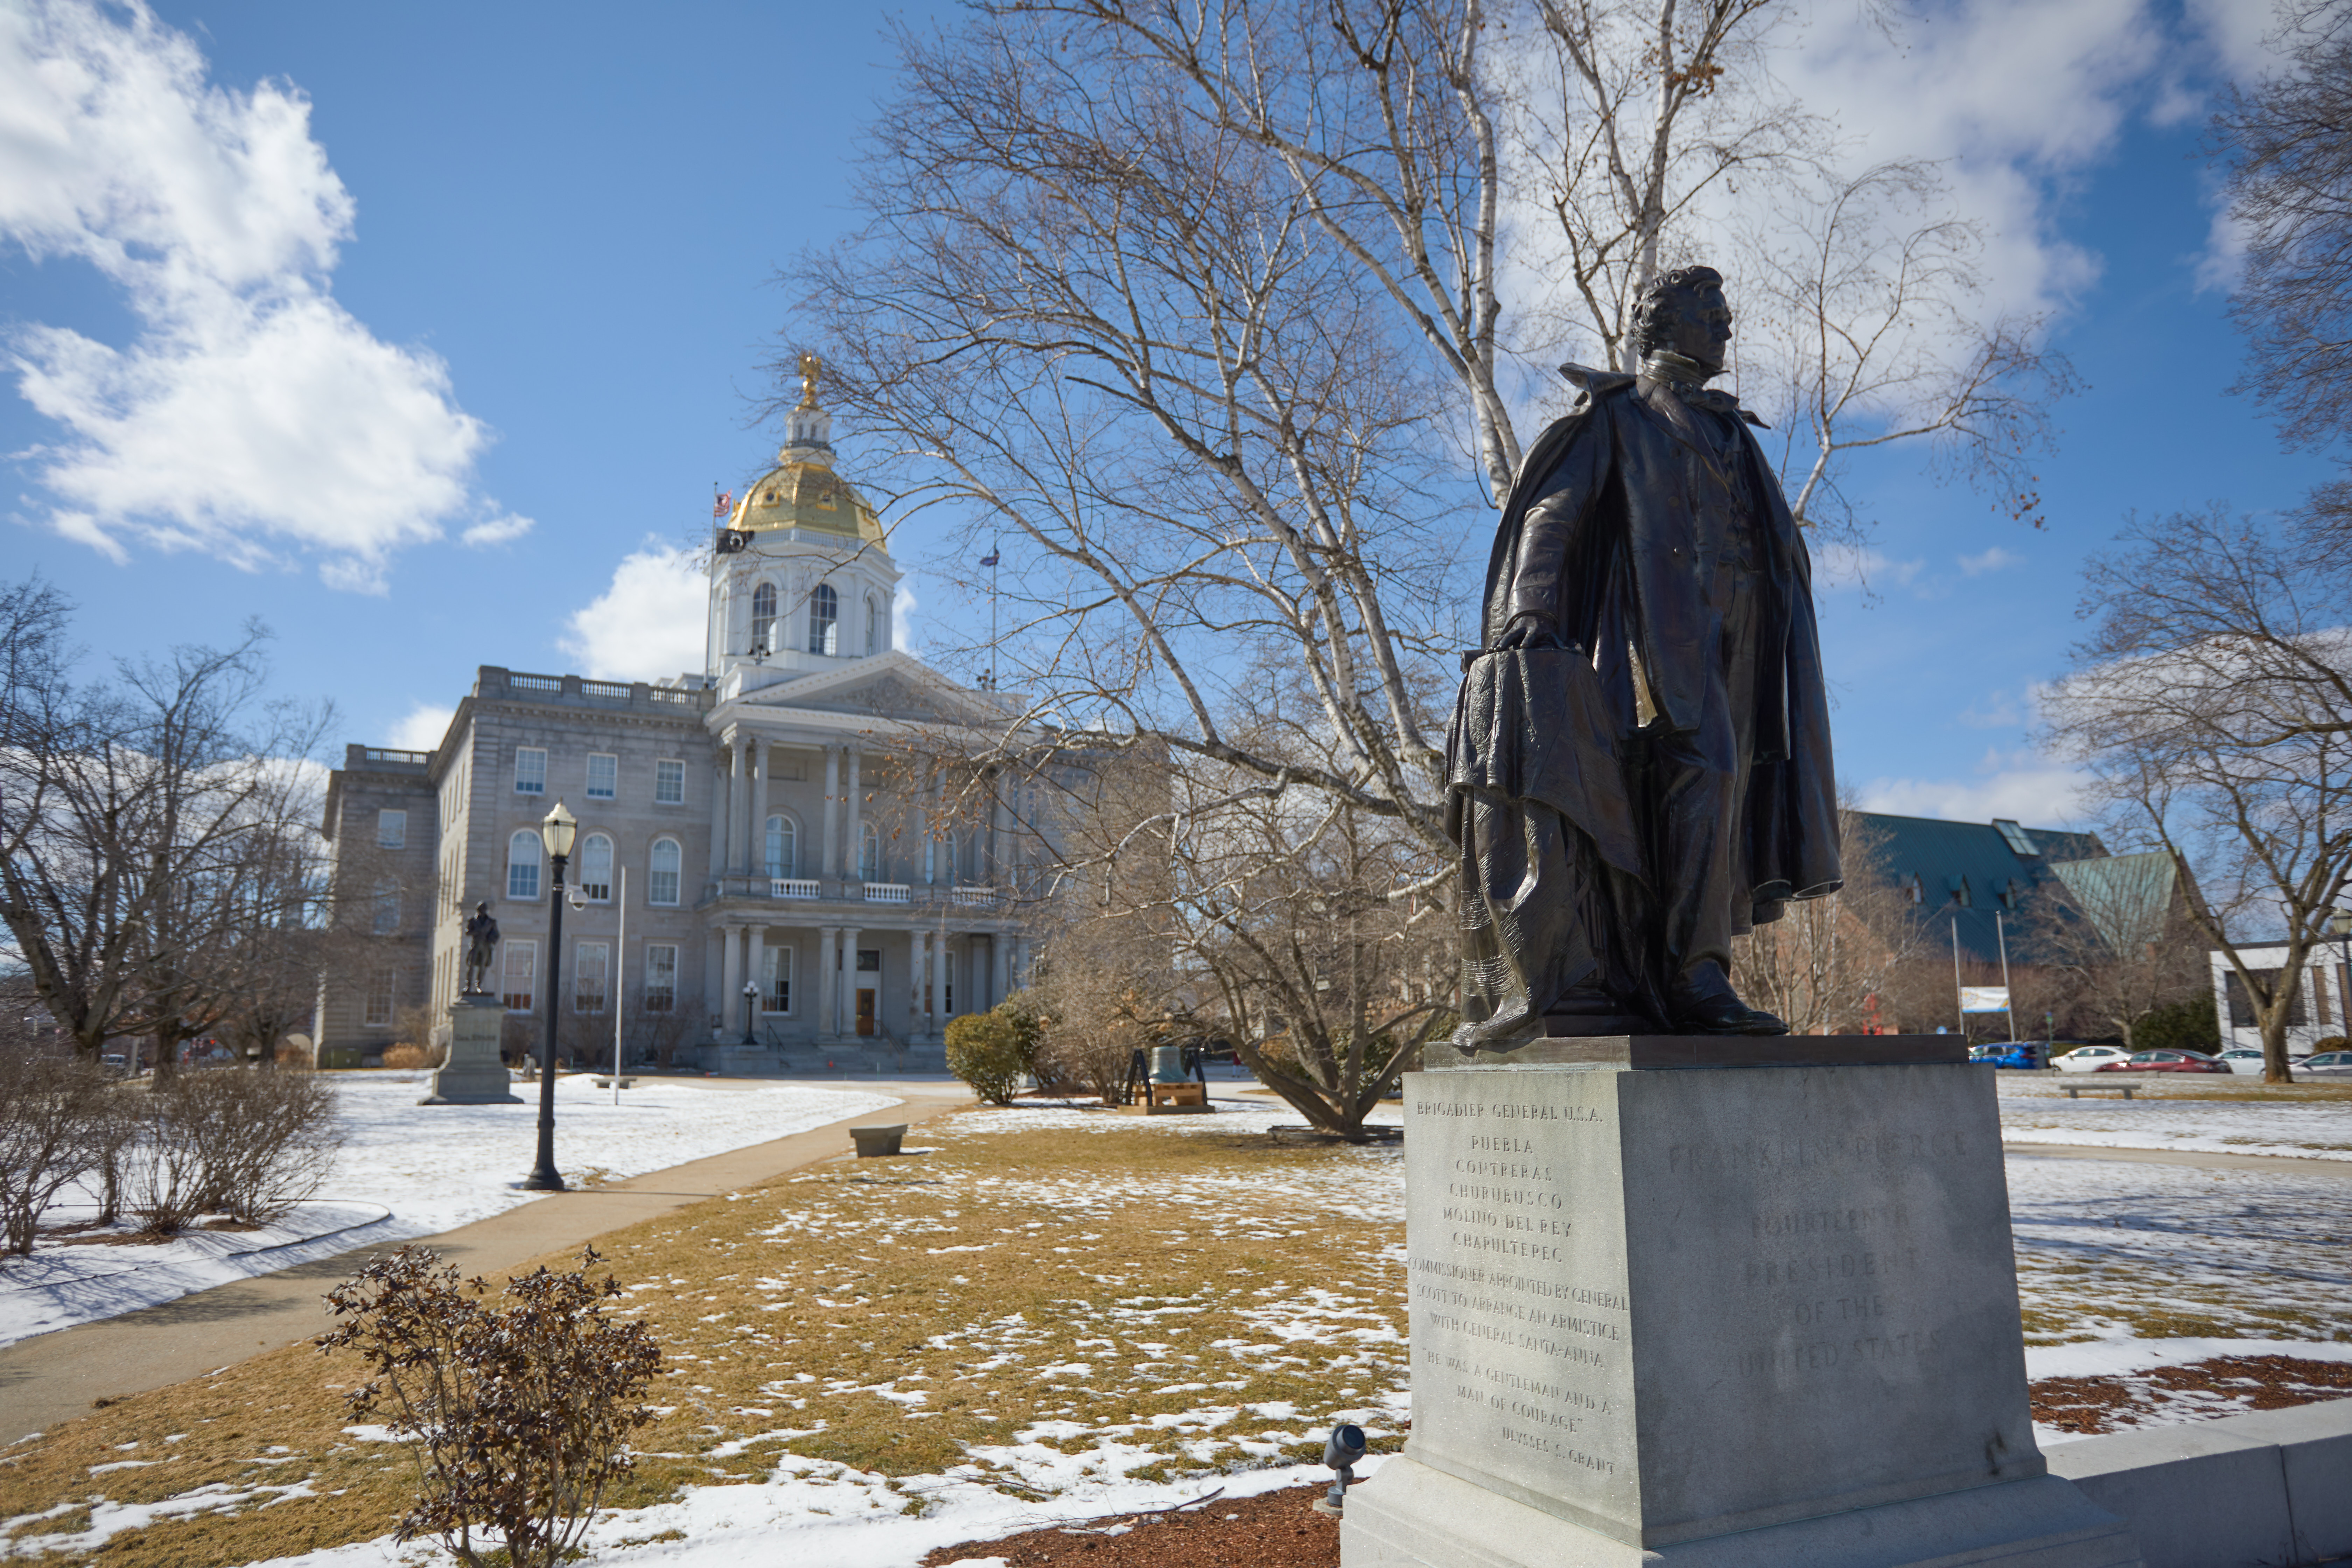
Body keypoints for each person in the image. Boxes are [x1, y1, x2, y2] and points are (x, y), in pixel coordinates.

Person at [1448, 265, 1842, 1045]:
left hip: (1746, 635)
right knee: (1703, 773)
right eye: (1713, 315)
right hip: (1651, 637)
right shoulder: (1618, 414)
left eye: (1727, 315)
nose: (1727, 328)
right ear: (1665, 326)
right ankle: (1690, 974)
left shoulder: (1732, 429)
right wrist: (1531, 605)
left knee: (1723, 798)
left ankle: (1683, 972)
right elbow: (1553, 515)